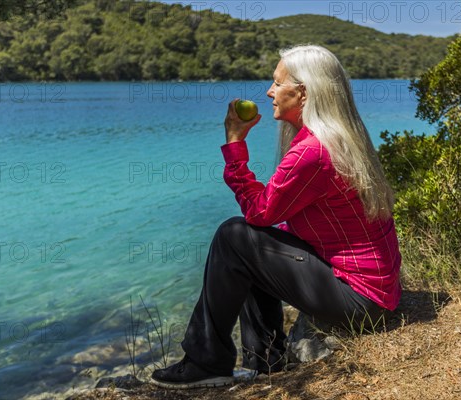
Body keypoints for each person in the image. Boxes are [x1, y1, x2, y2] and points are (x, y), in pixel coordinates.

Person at [150, 45, 402, 389]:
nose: (269, 92)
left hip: (359, 300)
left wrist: (235, 144)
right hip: (376, 293)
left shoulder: (312, 152)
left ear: (303, 93)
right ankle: (266, 363)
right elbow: (275, 222)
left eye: (277, 83)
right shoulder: (339, 136)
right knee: (253, 243)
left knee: (234, 236)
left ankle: (205, 361)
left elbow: (259, 212)